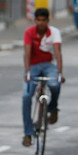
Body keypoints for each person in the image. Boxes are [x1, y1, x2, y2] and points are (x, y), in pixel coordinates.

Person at [22, 8, 65, 147]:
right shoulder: (29, 32)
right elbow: (27, 53)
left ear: (48, 21)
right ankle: (28, 133)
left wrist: (59, 73)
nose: (41, 23)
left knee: (55, 85)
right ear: (35, 21)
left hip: (48, 65)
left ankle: (53, 109)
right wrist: (28, 72)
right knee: (26, 96)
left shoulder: (54, 32)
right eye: (38, 20)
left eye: (43, 20)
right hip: (33, 66)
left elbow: (58, 53)